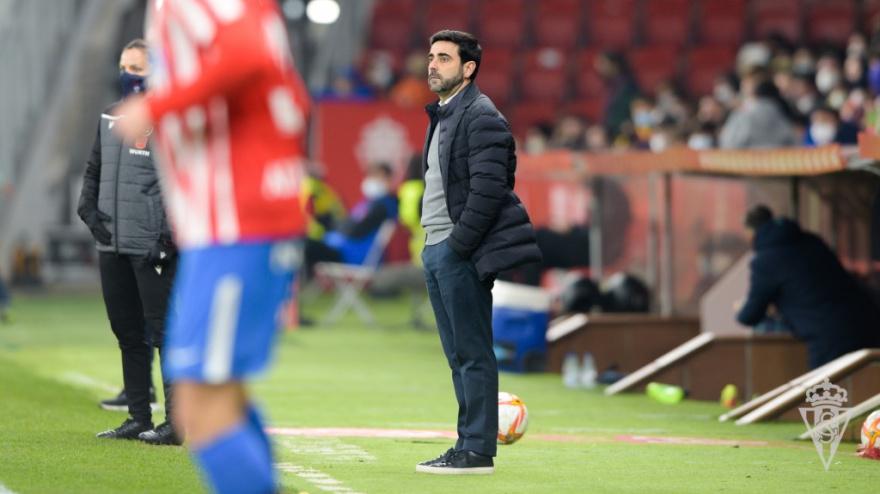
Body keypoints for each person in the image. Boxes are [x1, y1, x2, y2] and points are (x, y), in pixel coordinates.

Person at [114, 2, 309, 492]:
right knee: (222, 393)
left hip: (237, 220)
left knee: (199, 405)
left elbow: (246, 53)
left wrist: (155, 106)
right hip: (236, 219)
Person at [417, 30, 541, 475]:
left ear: (468, 68)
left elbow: (490, 190)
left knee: (472, 352)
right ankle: (465, 445)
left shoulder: (481, 115)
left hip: (456, 250)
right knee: (458, 355)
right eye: (432, 57)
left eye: (444, 58)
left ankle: (476, 451)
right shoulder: (446, 113)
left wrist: (458, 246)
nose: (433, 65)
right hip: (436, 246)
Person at [77, 38, 179, 445]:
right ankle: (138, 417)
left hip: (151, 245)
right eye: (124, 67)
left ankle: (176, 423)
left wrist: (167, 236)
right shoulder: (110, 116)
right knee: (127, 333)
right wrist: (87, 208)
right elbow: (93, 169)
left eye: (136, 68)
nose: (127, 75)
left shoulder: (171, 118)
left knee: (165, 332)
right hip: (112, 244)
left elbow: (181, 181)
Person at [736, 205, 880, 369]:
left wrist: (741, 309)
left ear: (751, 232)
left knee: (825, 385)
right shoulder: (811, 241)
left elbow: (749, 316)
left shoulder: (765, 261)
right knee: (869, 382)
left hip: (829, 337)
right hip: (865, 318)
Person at [303, 163, 398, 277]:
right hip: (338, 247)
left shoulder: (384, 205)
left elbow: (355, 229)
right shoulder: (368, 202)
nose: (372, 180)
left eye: (378, 177)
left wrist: (333, 223)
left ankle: (301, 285)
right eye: (372, 176)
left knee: (305, 247)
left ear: (389, 180)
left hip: (351, 255)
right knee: (302, 243)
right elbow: (349, 223)